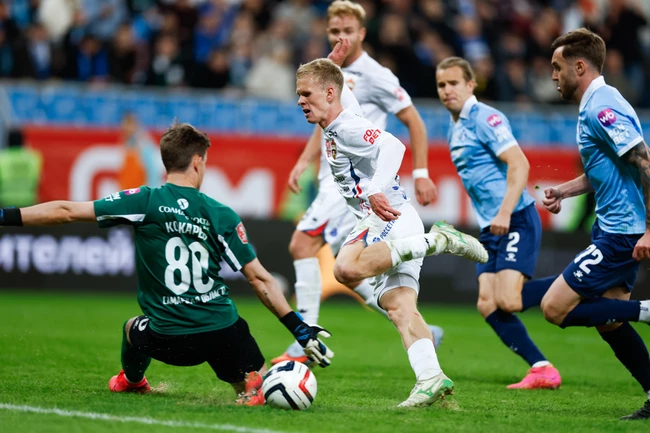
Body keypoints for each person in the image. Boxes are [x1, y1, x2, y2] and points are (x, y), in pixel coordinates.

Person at [0, 122, 334, 407]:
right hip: (222, 331)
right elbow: (259, 279)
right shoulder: (221, 214)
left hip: (168, 337)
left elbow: (66, 211)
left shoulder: (144, 201)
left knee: (131, 328)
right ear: (198, 162)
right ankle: (250, 388)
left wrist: (6, 215)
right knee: (256, 385)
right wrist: (298, 328)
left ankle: (133, 381)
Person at [295, 40, 488, 407]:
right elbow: (336, 86)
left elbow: (393, 146)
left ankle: (439, 241)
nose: (301, 101)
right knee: (399, 309)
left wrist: (374, 189)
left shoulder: (346, 127)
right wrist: (330, 64)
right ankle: (431, 377)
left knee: (345, 268)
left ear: (329, 94)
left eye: (307, 94)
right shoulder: (338, 115)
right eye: (299, 95)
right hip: (386, 219)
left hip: (389, 217)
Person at [273, 0, 442, 366]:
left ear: (362, 33)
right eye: (335, 31)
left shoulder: (377, 76)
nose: (342, 38)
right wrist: (304, 160)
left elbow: (412, 122)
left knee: (303, 244)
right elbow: (324, 124)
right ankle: (424, 330)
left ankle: (305, 339)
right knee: (348, 271)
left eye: (348, 31)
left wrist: (421, 173)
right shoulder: (326, 77)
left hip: (360, 178)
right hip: (340, 181)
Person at [539, 28, 650, 420]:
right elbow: (608, 168)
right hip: (612, 227)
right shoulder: (596, 104)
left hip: (622, 232)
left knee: (554, 308)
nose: (553, 75)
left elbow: (645, 161)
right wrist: (564, 191)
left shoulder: (602, 107)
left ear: (580, 66)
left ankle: (645, 310)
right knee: (610, 321)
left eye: (558, 66)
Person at [435, 57, 562, 389]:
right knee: (487, 303)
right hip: (491, 226)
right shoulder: (455, 125)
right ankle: (542, 368)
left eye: (453, 83)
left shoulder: (485, 118)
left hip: (515, 217)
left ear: (470, 85)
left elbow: (519, 164)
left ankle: (580, 283)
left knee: (509, 300)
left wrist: (504, 212)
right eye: (441, 85)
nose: (447, 90)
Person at [117, 113, 163, 190]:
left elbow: (153, 171)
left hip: (141, 192)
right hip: (129, 191)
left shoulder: (144, 143)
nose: (126, 128)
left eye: (129, 124)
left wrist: (150, 191)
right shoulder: (127, 143)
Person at [0, 129, 42, 208]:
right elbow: (39, 180)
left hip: (5, 202)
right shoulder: (33, 157)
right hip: (28, 201)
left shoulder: (2, 158)